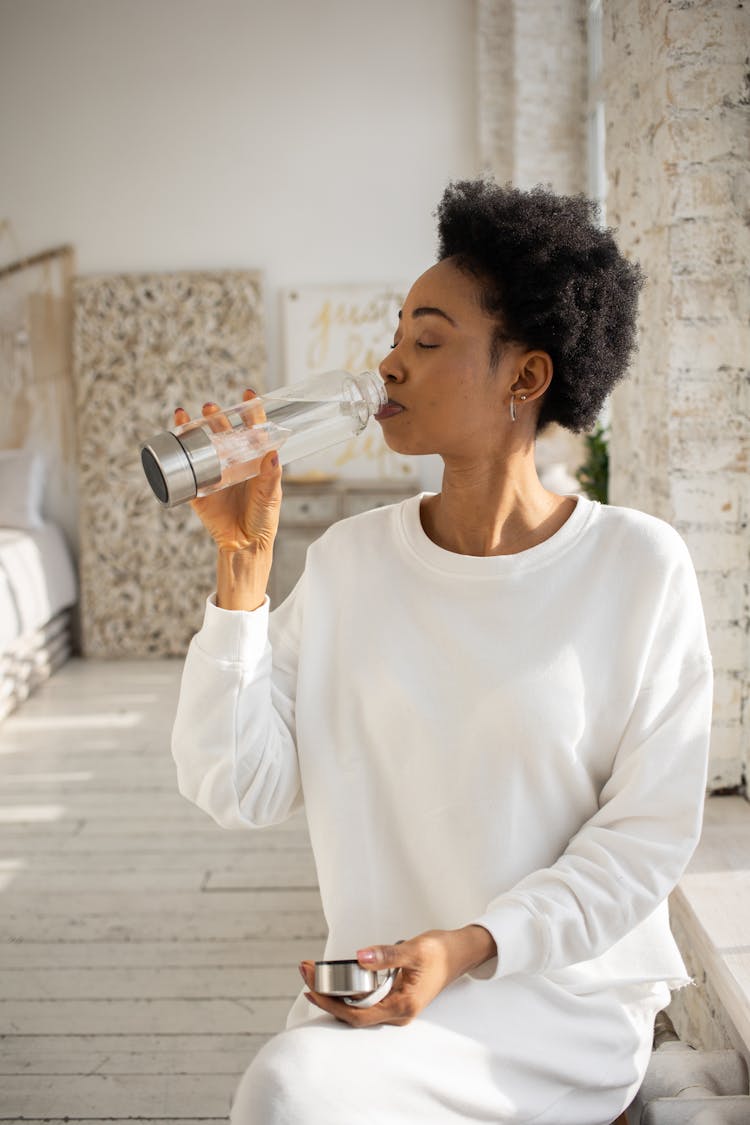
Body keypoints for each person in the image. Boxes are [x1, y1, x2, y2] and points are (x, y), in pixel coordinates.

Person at [170, 179, 713, 1125]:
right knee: (287, 1089)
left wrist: (468, 946)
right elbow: (232, 783)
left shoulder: (637, 568)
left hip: (557, 999)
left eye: (428, 340)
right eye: (395, 336)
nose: (389, 365)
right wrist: (241, 571)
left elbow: (646, 842)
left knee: (285, 1091)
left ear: (526, 377)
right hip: (385, 993)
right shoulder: (349, 565)